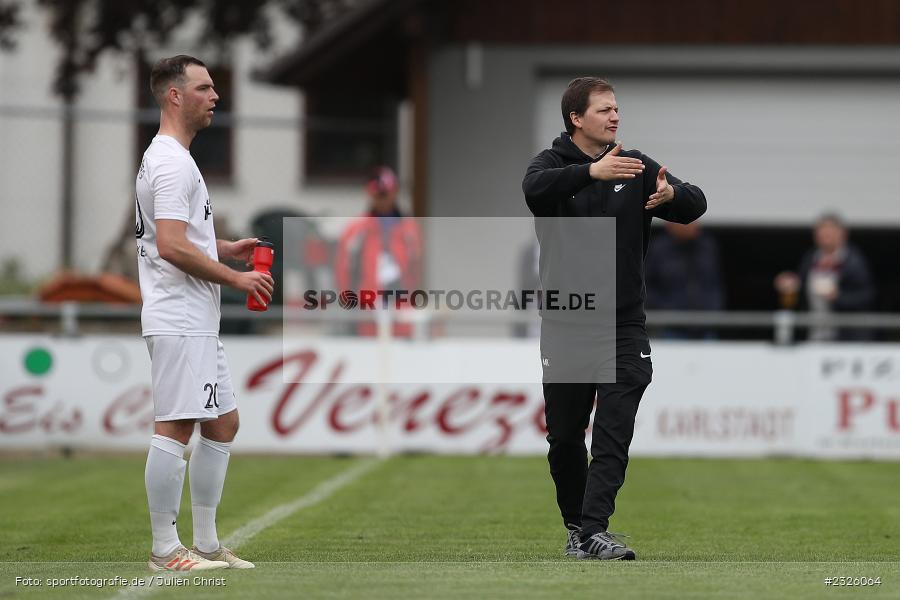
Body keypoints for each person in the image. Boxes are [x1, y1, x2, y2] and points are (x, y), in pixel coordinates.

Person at [523, 77, 706, 560]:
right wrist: (591, 174)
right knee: (564, 437)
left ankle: (595, 528)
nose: (615, 116)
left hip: (623, 323)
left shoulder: (637, 164)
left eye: (617, 109)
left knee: (614, 425)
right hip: (566, 323)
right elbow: (534, 191)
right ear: (576, 119)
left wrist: (673, 198)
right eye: (604, 109)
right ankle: (576, 530)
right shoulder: (550, 166)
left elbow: (696, 203)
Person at [135, 55, 273, 572]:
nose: (215, 96)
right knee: (175, 425)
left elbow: (177, 236)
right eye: (204, 87)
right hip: (178, 315)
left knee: (223, 424)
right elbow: (170, 246)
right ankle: (165, 550)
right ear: (175, 95)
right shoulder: (171, 161)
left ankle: (209, 543)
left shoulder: (174, 158)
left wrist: (225, 248)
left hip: (195, 316)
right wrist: (236, 278)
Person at [334, 166, 422, 336]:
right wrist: (351, 305)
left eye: (386, 194)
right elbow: (343, 271)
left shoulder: (409, 229)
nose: (382, 200)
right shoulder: (357, 229)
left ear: (395, 192)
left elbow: (416, 270)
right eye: (378, 195)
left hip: (400, 306)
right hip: (367, 307)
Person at [774, 213, 875, 341]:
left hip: (845, 336)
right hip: (814, 334)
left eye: (829, 233)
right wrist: (792, 283)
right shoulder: (811, 258)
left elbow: (867, 297)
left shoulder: (854, 262)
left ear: (842, 235)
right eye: (821, 233)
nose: (825, 237)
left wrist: (837, 297)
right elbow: (801, 287)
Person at [644, 220, 724, 338]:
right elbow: (645, 287)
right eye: (686, 220)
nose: (690, 224)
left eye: (694, 220)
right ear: (670, 224)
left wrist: (713, 310)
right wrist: (667, 310)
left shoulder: (707, 247)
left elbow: (716, 284)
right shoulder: (658, 249)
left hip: (706, 327)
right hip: (671, 329)